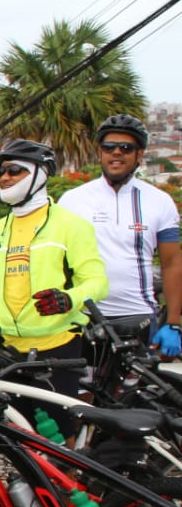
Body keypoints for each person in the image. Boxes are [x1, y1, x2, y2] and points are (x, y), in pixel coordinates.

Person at [0, 139, 108, 438]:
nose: (4, 177)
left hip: (57, 348)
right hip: (10, 350)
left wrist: (68, 299)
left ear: (40, 174)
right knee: (18, 434)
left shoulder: (70, 225)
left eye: (14, 170)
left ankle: (65, 469)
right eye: (0, 172)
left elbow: (98, 281)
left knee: (58, 435)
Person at [58, 113, 181, 356]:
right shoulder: (72, 200)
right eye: (109, 147)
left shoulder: (160, 201)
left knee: (136, 383)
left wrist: (174, 322)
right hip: (83, 317)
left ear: (139, 154)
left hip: (139, 317)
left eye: (126, 148)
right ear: (100, 152)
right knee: (83, 383)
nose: (116, 153)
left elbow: (172, 264)